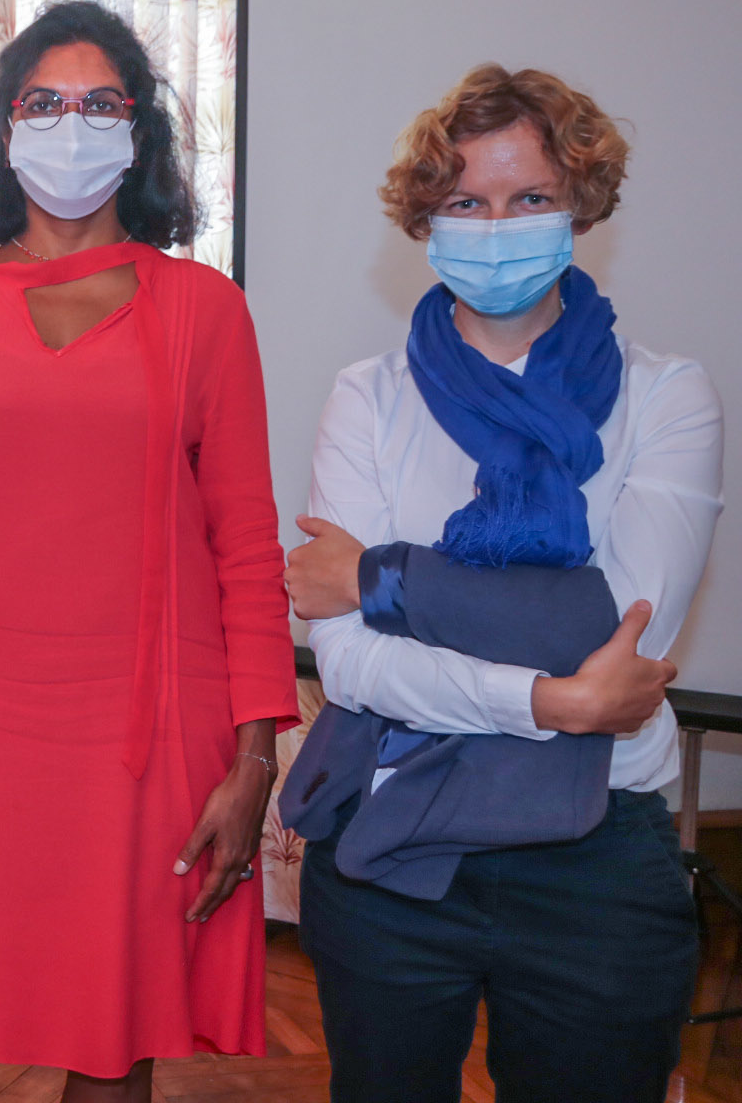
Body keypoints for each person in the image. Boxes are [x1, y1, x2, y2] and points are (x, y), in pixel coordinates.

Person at [0, 0, 298, 1103]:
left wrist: (253, 760)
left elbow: (246, 549)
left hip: (142, 743)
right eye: (45, 102)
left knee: (111, 1048)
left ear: (139, 132)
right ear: (4, 127)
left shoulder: (204, 311)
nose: (72, 123)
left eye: (102, 103)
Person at [283, 65, 720, 1102]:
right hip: (393, 846)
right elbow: (348, 663)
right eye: (467, 202)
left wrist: (375, 574)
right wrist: (553, 701)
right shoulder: (368, 396)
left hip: (597, 853)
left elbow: (611, 628)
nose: (497, 225)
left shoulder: (668, 393)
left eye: (530, 198)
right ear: (425, 220)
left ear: (582, 206)